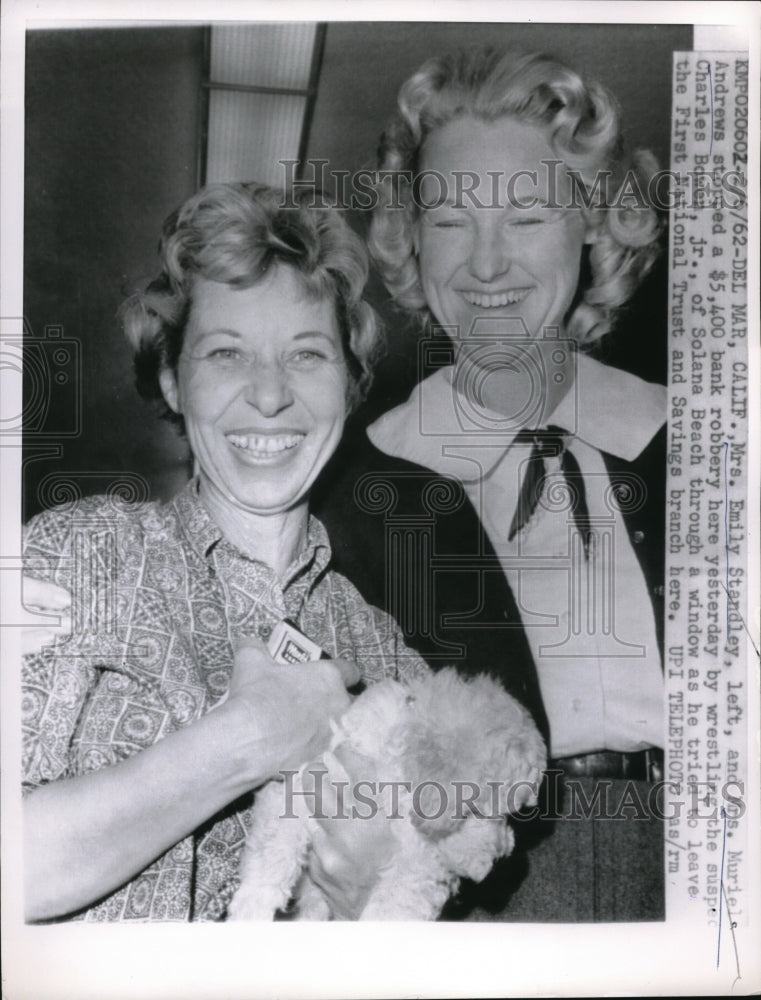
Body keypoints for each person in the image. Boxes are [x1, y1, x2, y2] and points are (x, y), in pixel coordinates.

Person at [21, 182, 440, 922]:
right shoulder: (75, 557)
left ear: (350, 385)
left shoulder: (388, 656)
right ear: (170, 382)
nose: (270, 396)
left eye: (307, 355)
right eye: (225, 354)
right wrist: (244, 742)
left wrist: (362, 890)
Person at [357, 47, 667, 921]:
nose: (485, 267)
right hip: (483, 892)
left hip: (713, 862)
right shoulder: (361, 485)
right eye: (451, 221)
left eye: (527, 215)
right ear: (410, 236)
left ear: (596, 225)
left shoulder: (704, 443)